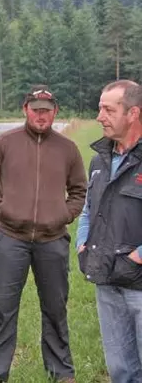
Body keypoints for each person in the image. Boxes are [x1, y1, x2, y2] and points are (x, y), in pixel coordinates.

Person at [0, 85, 86, 382]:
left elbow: (78, 192)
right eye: (36, 110)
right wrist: (6, 210)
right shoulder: (3, 143)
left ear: (55, 112)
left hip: (52, 241)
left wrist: (62, 215)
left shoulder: (68, 149)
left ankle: (61, 372)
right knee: (4, 308)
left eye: (47, 111)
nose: (41, 115)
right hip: (10, 239)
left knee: (55, 309)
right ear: (25, 109)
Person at [77, 80, 142, 383]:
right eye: (99, 108)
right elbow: (89, 210)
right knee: (121, 370)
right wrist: (82, 244)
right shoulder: (99, 161)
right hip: (107, 281)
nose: (99, 116)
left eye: (108, 109)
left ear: (133, 113)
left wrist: (137, 258)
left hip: (139, 284)